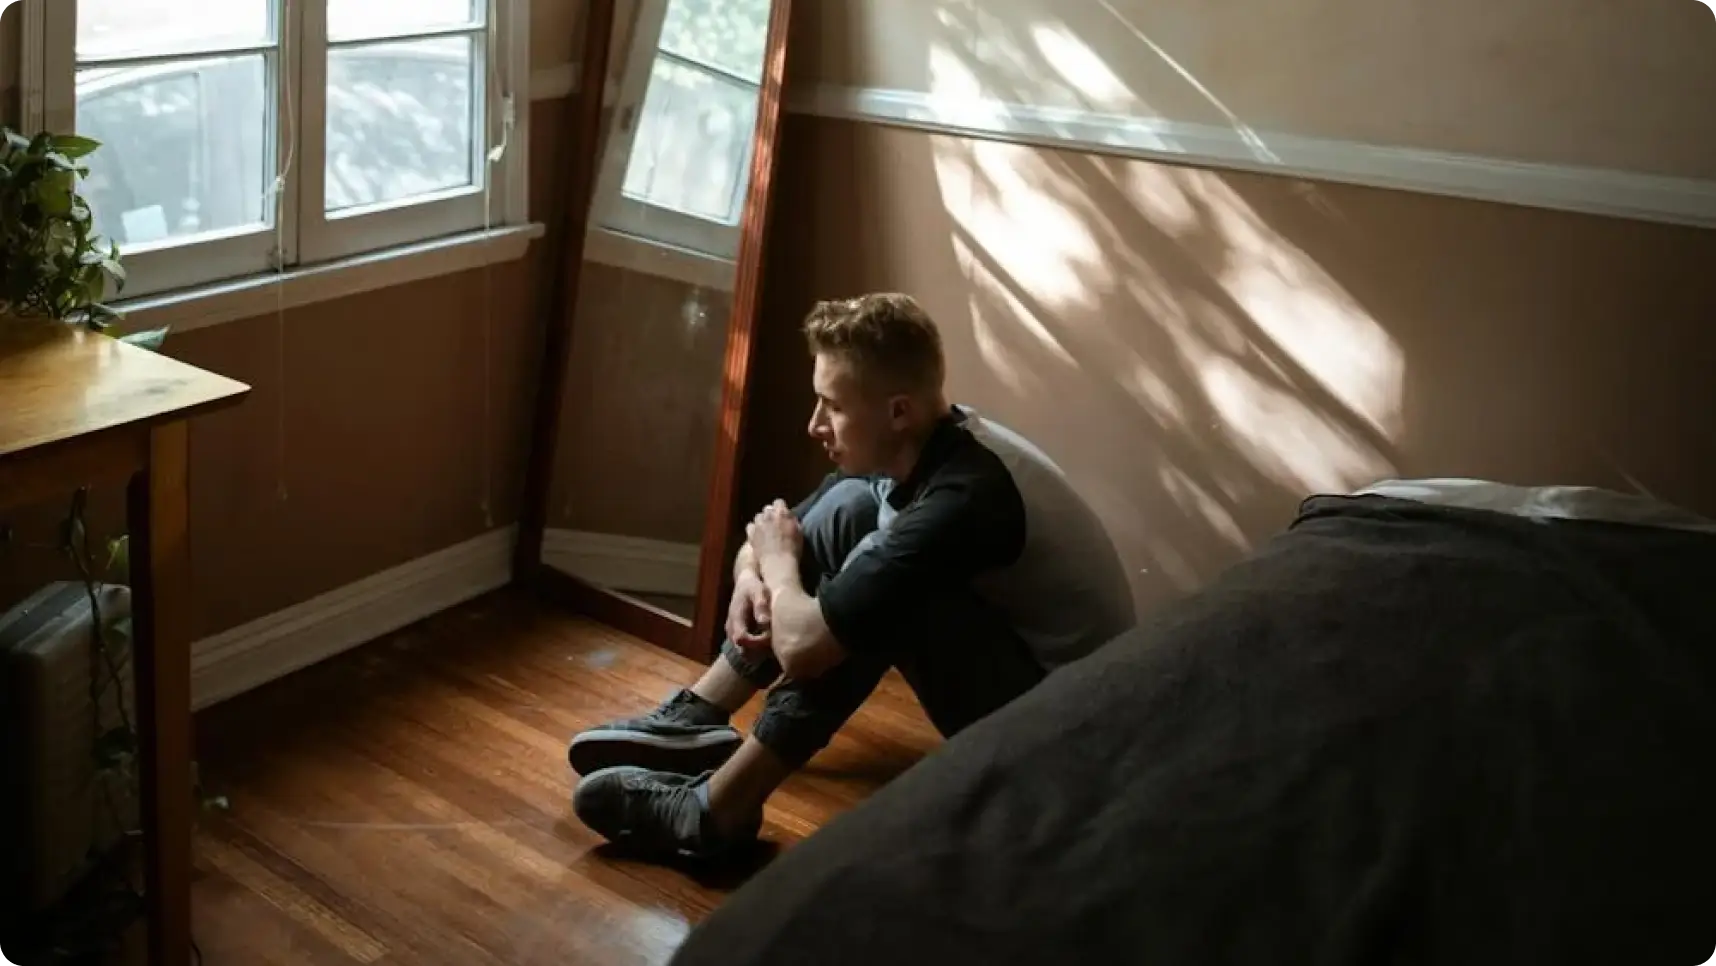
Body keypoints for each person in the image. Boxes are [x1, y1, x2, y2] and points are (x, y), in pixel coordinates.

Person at [568, 292, 1136, 862]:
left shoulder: (965, 500)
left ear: (897, 411)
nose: (814, 425)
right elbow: (775, 532)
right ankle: (700, 716)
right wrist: (752, 573)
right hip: (1024, 688)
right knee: (849, 511)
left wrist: (777, 566)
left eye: (831, 406)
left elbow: (803, 647)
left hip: (1065, 742)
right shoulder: (916, 452)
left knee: (892, 600)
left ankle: (714, 812)